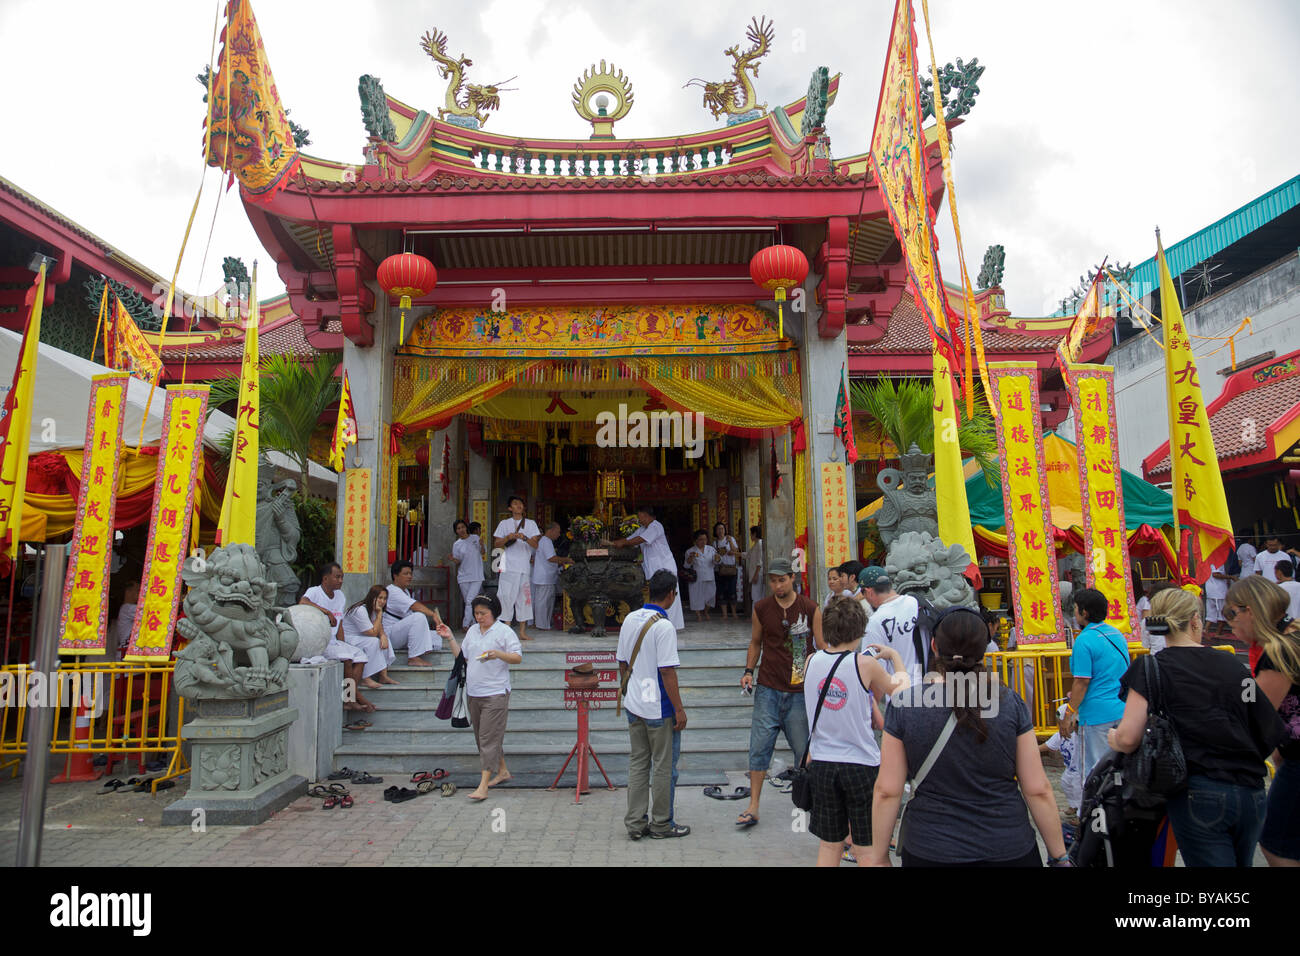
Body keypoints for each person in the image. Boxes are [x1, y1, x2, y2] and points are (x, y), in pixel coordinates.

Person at [868, 606, 1071, 867]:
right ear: (985, 648)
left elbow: (887, 790)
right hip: (1008, 847)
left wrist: (879, 856)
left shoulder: (905, 705)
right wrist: (1059, 855)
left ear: (934, 646)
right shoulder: (1010, 703)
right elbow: (1037, 789)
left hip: (931, 849)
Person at [1109, 586, 1287, 867]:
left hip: (1198, 791)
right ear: (1194, 620)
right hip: (1250, 792)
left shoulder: (1150, 668)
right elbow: (1264, 724)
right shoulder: (1232, 664)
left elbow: (1129, 737)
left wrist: (1113, 739)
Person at [803, 597, 905, 866]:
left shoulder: (811, 661)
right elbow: (901, 691)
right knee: (868, 849)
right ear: (860, 631)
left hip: (822, 763)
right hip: (860, 764)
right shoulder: (866, 664)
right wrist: (893, 656)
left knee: (829, 846)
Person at [736, 557, 824, 829]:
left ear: (792, 578)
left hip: (799, 690)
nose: (777, 585)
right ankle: (753, 806)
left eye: (781, 579)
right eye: (773, 581)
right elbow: (755, 642)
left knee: (803, 751)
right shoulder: (761, 608)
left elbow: (820, 647)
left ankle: (816, 804)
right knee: (759, 747)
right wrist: (749, 670)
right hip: (769, 688)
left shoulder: (810, 608)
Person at [1223, 575, 1300, 866]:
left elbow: (1255, 713)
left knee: (1275, 845)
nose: (1229, 622)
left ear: (1250, 610)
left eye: (1232, 613)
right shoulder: (1294, 634)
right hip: (1291, 756)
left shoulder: (1278, 651)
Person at [617, 570, 689, 840]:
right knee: (662, 766)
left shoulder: (629, 618)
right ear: (671, 594)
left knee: (637, 764)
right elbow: (668, 671)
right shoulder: (664, 626)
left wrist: (630, 692)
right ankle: (661, 824)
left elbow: (622, 663)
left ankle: (635, 824)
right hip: (659, 707)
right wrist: (679, 709)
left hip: (634, 705)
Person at [435, 594, 523, 802]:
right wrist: (449, 638)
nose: (479, 617)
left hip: (495, 692)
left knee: (487, 738)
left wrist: (498, 654)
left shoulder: (504, 631)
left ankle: (483, 785)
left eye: (483, 613)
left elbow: (517, 657)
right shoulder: (473, 631)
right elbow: (462, 657)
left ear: (494, 613)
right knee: (484, 737)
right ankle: (502, 771)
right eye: (476, 613)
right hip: (473, 692)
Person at [1058, 587, 1130, 780]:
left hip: (1097, 715)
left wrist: (1068, 713)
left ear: (1084, 612)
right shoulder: (1117, 635)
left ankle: (1094, 810)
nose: (1074, 613)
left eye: (1075, 608)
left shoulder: (1084, 640)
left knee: (1094, 771)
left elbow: (1082, 682)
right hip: (1122, 709)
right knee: (1119, 769)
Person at [300, 563, 376, 714]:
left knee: (360, 656)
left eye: (342, 577)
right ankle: (350, 699)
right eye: (337, 577)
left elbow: (339, 623)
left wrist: (342, 643)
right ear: (325, 578)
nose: (341, 580)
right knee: (347, 658)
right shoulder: (315, 591)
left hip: (334, 641)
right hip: (320, 641)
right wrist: (326, 612)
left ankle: (352, 697)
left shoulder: (340, 596)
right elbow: (303, 602)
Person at [610, 505, 684, 631]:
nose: (639, 520)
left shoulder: (656, 526)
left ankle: (672, 625)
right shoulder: (642, 528)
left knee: (668, 594)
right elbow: (630, 539)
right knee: (657, 595)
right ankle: (658, 622)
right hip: (653, 568)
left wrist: (623, 543)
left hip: (664, 566)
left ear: (646, 515)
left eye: (640, 517)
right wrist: (614, 543)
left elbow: (640, 540)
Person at [859, 567, 924, 690]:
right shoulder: (916, 603)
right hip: (928, 687)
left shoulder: (875, 622)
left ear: (869, 591)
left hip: (899, 692)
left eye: (862, 593)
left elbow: (874, 670)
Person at [492, 496, 541, 641]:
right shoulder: (504, 523)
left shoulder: (531, 524)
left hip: (524, 566)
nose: (518, 505)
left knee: (524, 598)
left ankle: (522, 632)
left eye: (520, 503)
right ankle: (506, 630)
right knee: (506, 596)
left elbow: (536, 545)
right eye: (515, 503)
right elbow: (497, 544)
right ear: (510, 508)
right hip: (508, 566)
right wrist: (508, 537)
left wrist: (524, 538)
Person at [385, 560, 442, 666]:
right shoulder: (392, 591)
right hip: (391, 635)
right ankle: (413, 658)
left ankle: (421, 649)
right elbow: (414, 606)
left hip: (402, 633)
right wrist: (433, 614)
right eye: (405, 574)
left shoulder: (405, 591)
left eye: (410, 573)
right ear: (395, 575)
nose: (409, 577)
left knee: (436, 636)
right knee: (418, 617)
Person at [341, 585, 398, 688]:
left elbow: (378, 627)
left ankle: (383, 676)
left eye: (385, 598)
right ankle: (366, 678)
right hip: (348, 639)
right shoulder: (360, 610)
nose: (383, 601)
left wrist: (383, 636)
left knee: (385, 640)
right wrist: (379, 614)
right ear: (372, 597)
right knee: (373, 642)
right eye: (380, 598)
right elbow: (372, 633)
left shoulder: (374, 609)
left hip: (361, 637)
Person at [530, 521, 571, 632]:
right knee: (543, 602)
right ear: (551, 530)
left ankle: (544, 624)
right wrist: (566, 560)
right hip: (544, 578)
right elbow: (551, 558)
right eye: (557, 532)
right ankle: (542, 625)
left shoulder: (545, 541)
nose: (558, 534)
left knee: (545, 602)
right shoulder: (546, 541)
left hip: (545, 577)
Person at [450, 519, 485, 629]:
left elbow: (483, 552)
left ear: (466, 528)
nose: (461, 530)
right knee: (469, 602)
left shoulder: (475, 538)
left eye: (462, 527)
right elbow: (458, 561)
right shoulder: (456, 544)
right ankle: (474, 625)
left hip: (476, 575)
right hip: (463, 576)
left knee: (470, 600)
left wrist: (482, 545)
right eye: (458, 528)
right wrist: (452, 559)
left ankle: (465, 624)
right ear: (456, 531)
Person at [684, 530, 718, 623]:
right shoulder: (690, 551)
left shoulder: (711, 549)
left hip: (709, 575)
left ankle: (706, 611)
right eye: (700, 540)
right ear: (695, 540)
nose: (703, 542)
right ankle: (698, 614)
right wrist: (690, 558)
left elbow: (716, 562)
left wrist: (717, 559)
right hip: (697, 577)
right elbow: (686, 566)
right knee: (696, 596)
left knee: (711, 595)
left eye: (705, 539)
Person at [713, 521, 741, 620]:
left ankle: (734, 613)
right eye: (718, 529)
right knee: (721, 592)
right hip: (720, 570)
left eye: (722, 529)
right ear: (715, 531)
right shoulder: (715, 542)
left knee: (732, 591)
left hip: (731, 568)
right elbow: (715, 557)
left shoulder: (730, 538)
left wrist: (730, 544)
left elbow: (736, 551)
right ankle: (724, 614)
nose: (720, 531)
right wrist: (719, 555)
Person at [110, 578, 139, 661]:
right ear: (128, 592)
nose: (141, 593)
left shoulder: (125, 608)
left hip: (128, 655)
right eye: (138, 590)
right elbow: (150, 612)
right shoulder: (127, 608)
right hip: (127, 656)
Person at [1206, 563, 1231, 637]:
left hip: (1211, 590)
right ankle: (1218, 633)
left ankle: (1206, 630)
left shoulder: (1208, 560)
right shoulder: (1218, 561)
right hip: (1218, 591)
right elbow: (1215, 574)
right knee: (1222, 613)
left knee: (1211, 613)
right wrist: (1230, 577)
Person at [746, 525, 764, 608]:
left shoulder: (760, 544)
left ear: (755, 534)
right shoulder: (755, 544)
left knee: (756, 596)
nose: (750, 536)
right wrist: (735, 553)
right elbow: (747, 555)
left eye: (751, 534)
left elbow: (759, 562)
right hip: (756, 573)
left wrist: (756, 575)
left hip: (758, 574)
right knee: (756, 596)